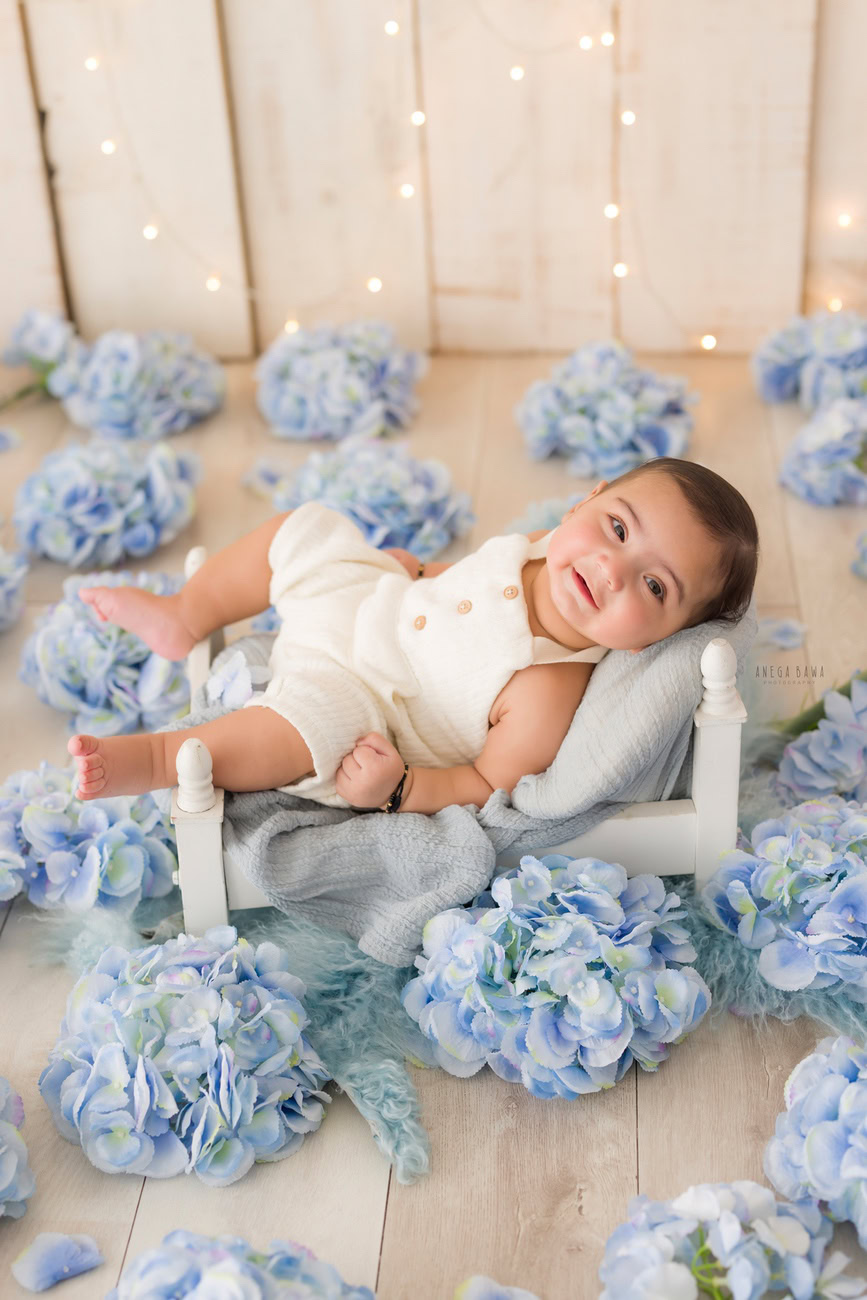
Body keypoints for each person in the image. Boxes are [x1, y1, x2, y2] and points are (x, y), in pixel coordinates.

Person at [67, 457, 759, 815]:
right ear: (588, 499)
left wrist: (400, 789)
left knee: (299, 733)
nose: (612, 568)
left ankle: (155, 758)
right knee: (306, 529)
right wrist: (419, 572)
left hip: (366, 698)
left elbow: (482, 783)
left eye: (654, 587)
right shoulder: (540, 546)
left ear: (648, 643)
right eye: (617, 527)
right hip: (369, 605)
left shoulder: (547, 686)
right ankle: (185, 613)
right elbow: (469, 581)